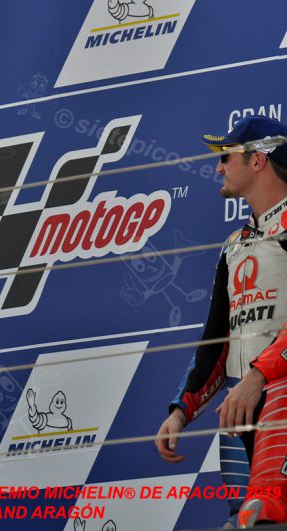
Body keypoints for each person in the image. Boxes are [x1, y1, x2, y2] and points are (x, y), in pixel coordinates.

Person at [155, 116, 287, 527]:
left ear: (258, 160)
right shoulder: (234, 246)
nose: (217, 167)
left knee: (265, 519)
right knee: (246, 519)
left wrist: (258, 376)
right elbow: (216, 339)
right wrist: (183, 409)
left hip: (277, 401)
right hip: (244, 410)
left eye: (226, 156)